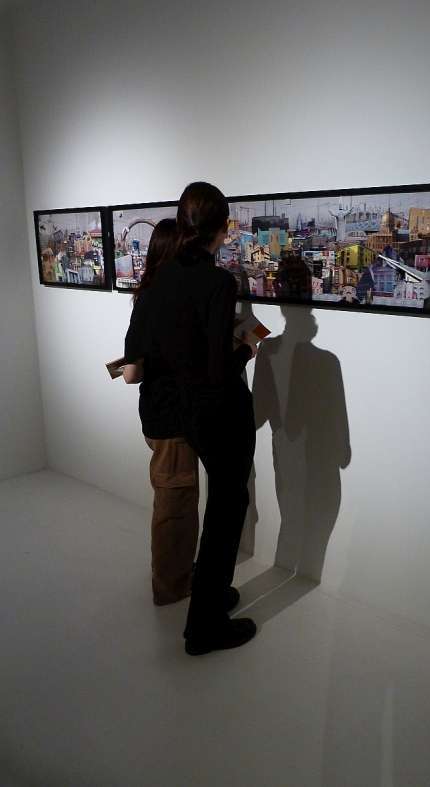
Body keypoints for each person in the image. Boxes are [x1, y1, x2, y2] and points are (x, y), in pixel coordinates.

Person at [148, 182, 259, 655]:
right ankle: (204, 626)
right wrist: (246, 349)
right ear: (222, 227)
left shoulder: (164, 276)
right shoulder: (218, 283)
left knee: (218, 509)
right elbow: (217, 369)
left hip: (188, 413)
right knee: (226, 512)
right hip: (222, 413)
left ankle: (212, 597)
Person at [123, 218, 200, 606]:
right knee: (175, 506)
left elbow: (131, 373)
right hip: (173, 419)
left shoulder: (145, 298)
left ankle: (178, 572)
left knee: (177, 501)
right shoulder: (171, 301)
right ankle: (170, 586)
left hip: (157, 415)